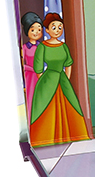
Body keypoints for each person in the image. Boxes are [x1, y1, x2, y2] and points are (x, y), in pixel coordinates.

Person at [30, 13, 90, 146]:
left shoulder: (63, 46)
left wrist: (65, 79)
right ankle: (46, 138)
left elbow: (68, 63)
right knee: (47, 109)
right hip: (48, 80)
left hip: (62, 80)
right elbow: (38, 68)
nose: (57, 30)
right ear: (47, 30)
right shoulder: (43, 47)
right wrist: (45, 83)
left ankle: (70, 136)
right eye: (54, 27)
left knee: (70, 106)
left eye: (60, 27)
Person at [21, 12, 43, 123]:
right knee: (31, 99)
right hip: (30, 77)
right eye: (33, 29)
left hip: (41, 76)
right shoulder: (25, 48)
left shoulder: (42, 47)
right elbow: (22, 64)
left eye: (39, 29)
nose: (36, 32)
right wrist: (31, 69)